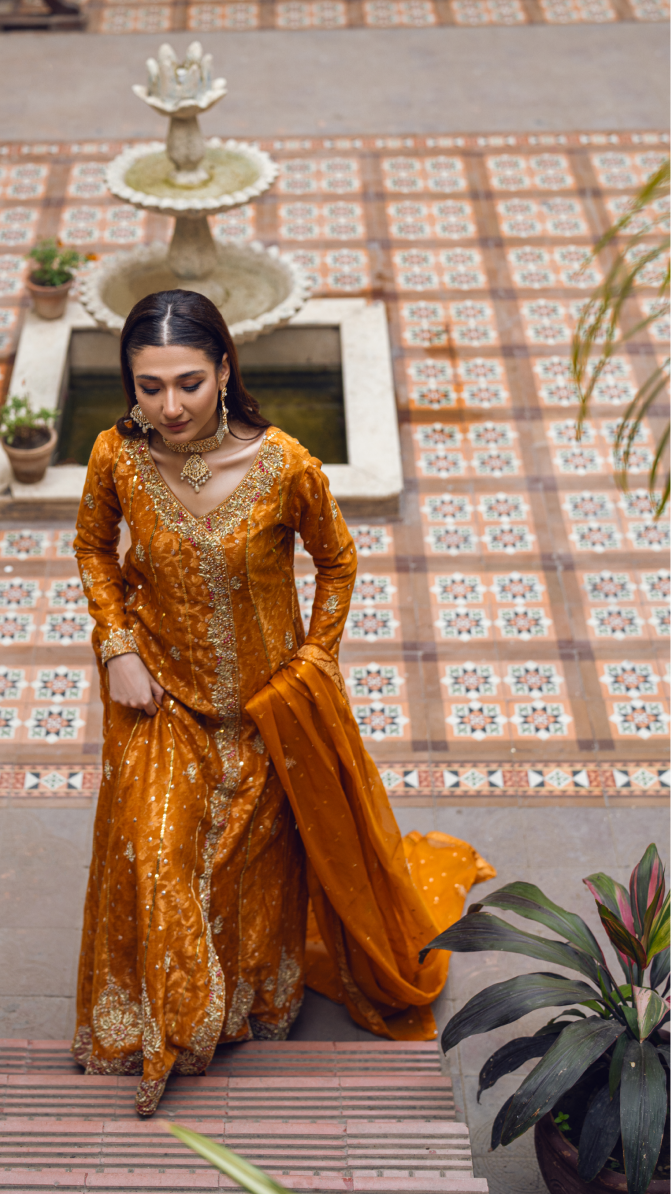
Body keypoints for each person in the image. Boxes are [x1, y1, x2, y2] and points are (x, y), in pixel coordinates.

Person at [72, 289, 493, 1116]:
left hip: (269, 709)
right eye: (148, 387)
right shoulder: (115, 458)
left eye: (187, 383)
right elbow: (92, 547)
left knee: (248, 870)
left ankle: (248, 1004)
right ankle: (164, 1032)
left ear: (224, 369)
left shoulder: (285, 466)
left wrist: (312, 662)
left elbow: (338, 560)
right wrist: (116, 643)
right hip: (159, 699)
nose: (168, 405)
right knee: (158, 855)